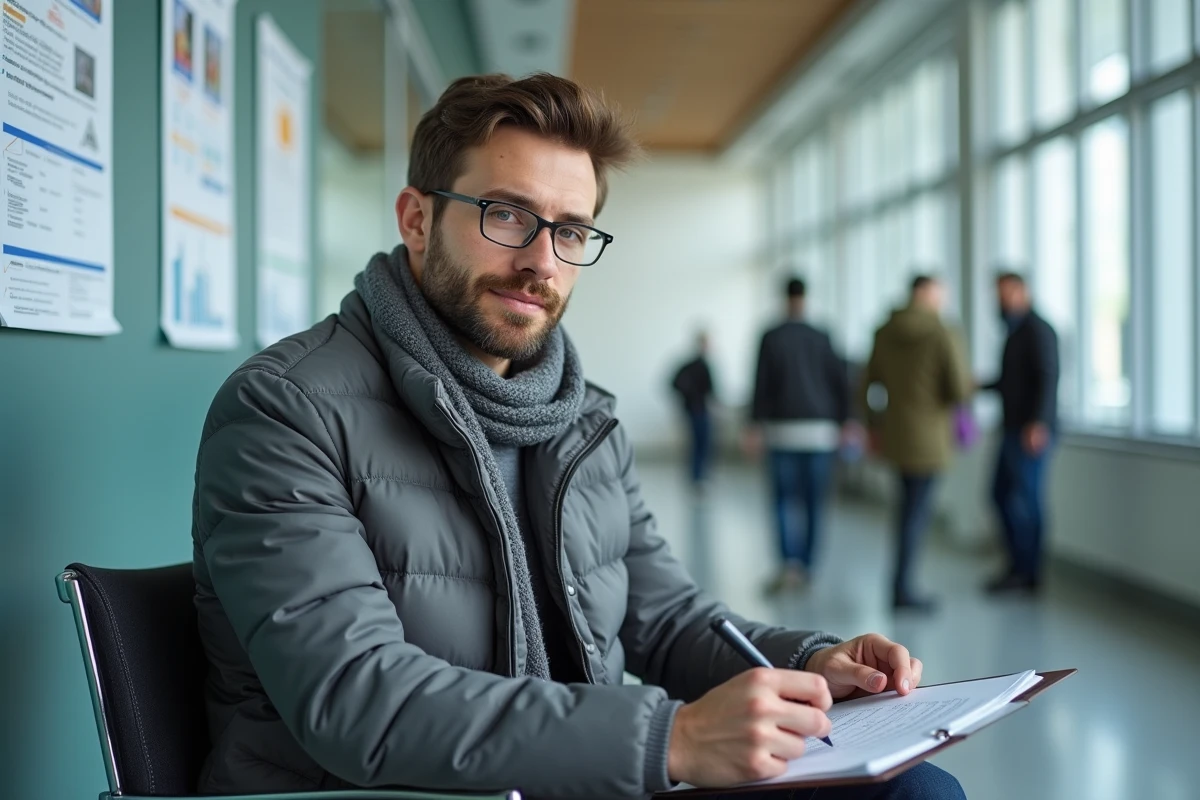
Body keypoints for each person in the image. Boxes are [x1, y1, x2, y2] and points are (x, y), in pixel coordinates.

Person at [191, 73, 964, 800]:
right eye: (506, 215)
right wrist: (669, 738)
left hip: (574, 775)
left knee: (913, 787)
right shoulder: (286, 409)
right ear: (417, 219)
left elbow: (666, 622)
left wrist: (809, 663)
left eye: (570, 231)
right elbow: (359, 698)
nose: (540, 263)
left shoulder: (579, 418)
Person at [860, 276, 971, 612]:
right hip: (930, 439)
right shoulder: (941, 331)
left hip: (896, 436)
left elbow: (865, 384)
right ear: (926, 294)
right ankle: (904, 588)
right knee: (917, 513)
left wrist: (875, 424)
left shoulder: (884, 331)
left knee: (905, 510)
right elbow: (959, 388)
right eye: (940, 293)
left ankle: (899, 584)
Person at [748, 277, 851, 593]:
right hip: (820, 433)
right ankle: (807, 567)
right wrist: (848, 421)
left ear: (784, 297)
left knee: (782, 500)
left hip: (782, 432)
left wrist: (754, 424)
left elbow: (761, 384)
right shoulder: (823, 336)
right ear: (806, 297)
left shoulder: (771, 336)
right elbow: (841, 381)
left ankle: (789, 564)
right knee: (814, 503)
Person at [980, 272, 1059, 594]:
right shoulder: (1014, 332)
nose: (1000, 301)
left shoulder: (1039, 330)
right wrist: (979, 385)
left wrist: (1038, 423)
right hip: (1012, 428)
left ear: (1022, 291)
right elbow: (1010, 381)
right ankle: (1016, 566)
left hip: (1030, 431)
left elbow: (1048, 377)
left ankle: (1030, 574)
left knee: (1028, 501)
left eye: (1005, 293)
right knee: (999, 496)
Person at [671, 330, 717, 488]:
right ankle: (697, 477)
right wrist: (692, 398)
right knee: (698, 445)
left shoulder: (704, 364)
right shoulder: (692, 365)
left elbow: (711, 391)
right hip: (696, 411)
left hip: (703, 410)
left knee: (704, 445)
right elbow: (675, 384)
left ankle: (701, 476)